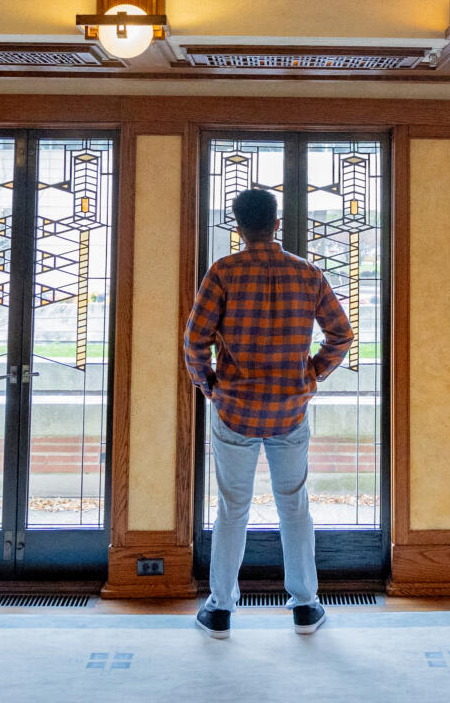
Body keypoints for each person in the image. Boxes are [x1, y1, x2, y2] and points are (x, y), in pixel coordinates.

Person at [182, 188, 353, 640]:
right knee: (294, 507)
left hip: (235, 410)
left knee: (232, 509)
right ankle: (305, 607)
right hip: (290, 412)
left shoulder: (222, 272)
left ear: (237, 227)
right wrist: (310, 374)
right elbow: (341, 334)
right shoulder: (307, 273)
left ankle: (220, 610)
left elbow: (194, 341)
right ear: (277, 224)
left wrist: (210, 387)